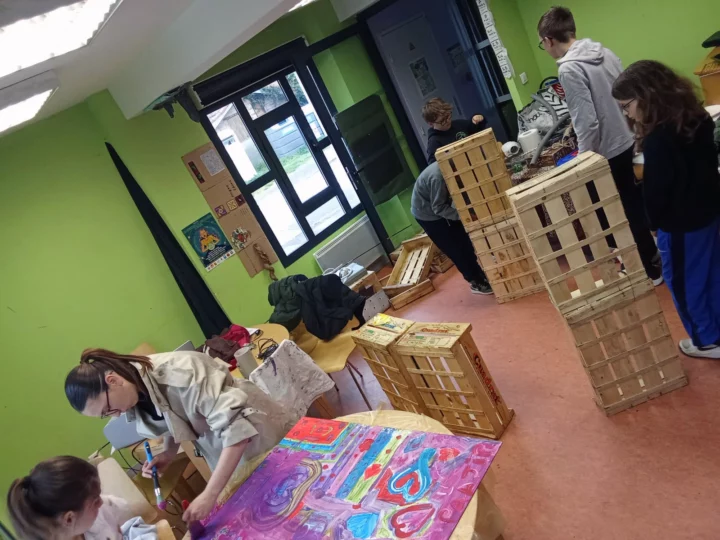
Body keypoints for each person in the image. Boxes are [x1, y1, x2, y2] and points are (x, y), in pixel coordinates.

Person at [64, 349, 296, 523]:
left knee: (292, 493)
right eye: (106, 415)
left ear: (113, 381)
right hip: (219, 442)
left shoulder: (180, 373)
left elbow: (237, 430)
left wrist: (210, 494)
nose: (115, 415)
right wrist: (167, 453)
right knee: (261, 508)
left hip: (254, 429)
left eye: (108, 409)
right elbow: (172, 418)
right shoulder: (134, 389)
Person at [537, 7, 662, 285]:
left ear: (548, 40)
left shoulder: (569, 68)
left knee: (615, 213)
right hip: (629, 138)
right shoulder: (603, 52)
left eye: (542, 44)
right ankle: (654, 257)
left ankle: (648, 270)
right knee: (635, 202)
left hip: (607, 150)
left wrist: (583, 159)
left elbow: (587, 121)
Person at [612, 60, 720, 359]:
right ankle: (716, 329)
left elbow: (657, 190)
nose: (627, 113)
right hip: (709, 211)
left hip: (681, 222)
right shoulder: (696, 117)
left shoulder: (658, 139)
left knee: (684, 282)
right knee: (711, 272)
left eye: (626, 106)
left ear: (646, 96)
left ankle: (706, 341)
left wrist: (653, 224)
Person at [6, 455, 144, 540]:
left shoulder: (101, 512)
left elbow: (130, 524)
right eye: (95, 501)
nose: (101, 502)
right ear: (69, 518)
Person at [410, 162, 493, 295]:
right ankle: (475, 281)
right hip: (428, 215)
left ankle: (478, 272)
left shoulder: (455, 167)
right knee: (455, 249)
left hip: (442, 208)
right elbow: (438, 208)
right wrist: (464, 216)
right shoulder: (437, 178)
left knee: (465, 241)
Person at [422, 97, 487, 163]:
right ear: (431, 124)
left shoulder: (459, 124)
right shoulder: (434, 142)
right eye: (442, 121)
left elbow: (476, 128)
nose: (448, 121)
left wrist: (477, 119)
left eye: (448, 116)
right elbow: (434, 165)